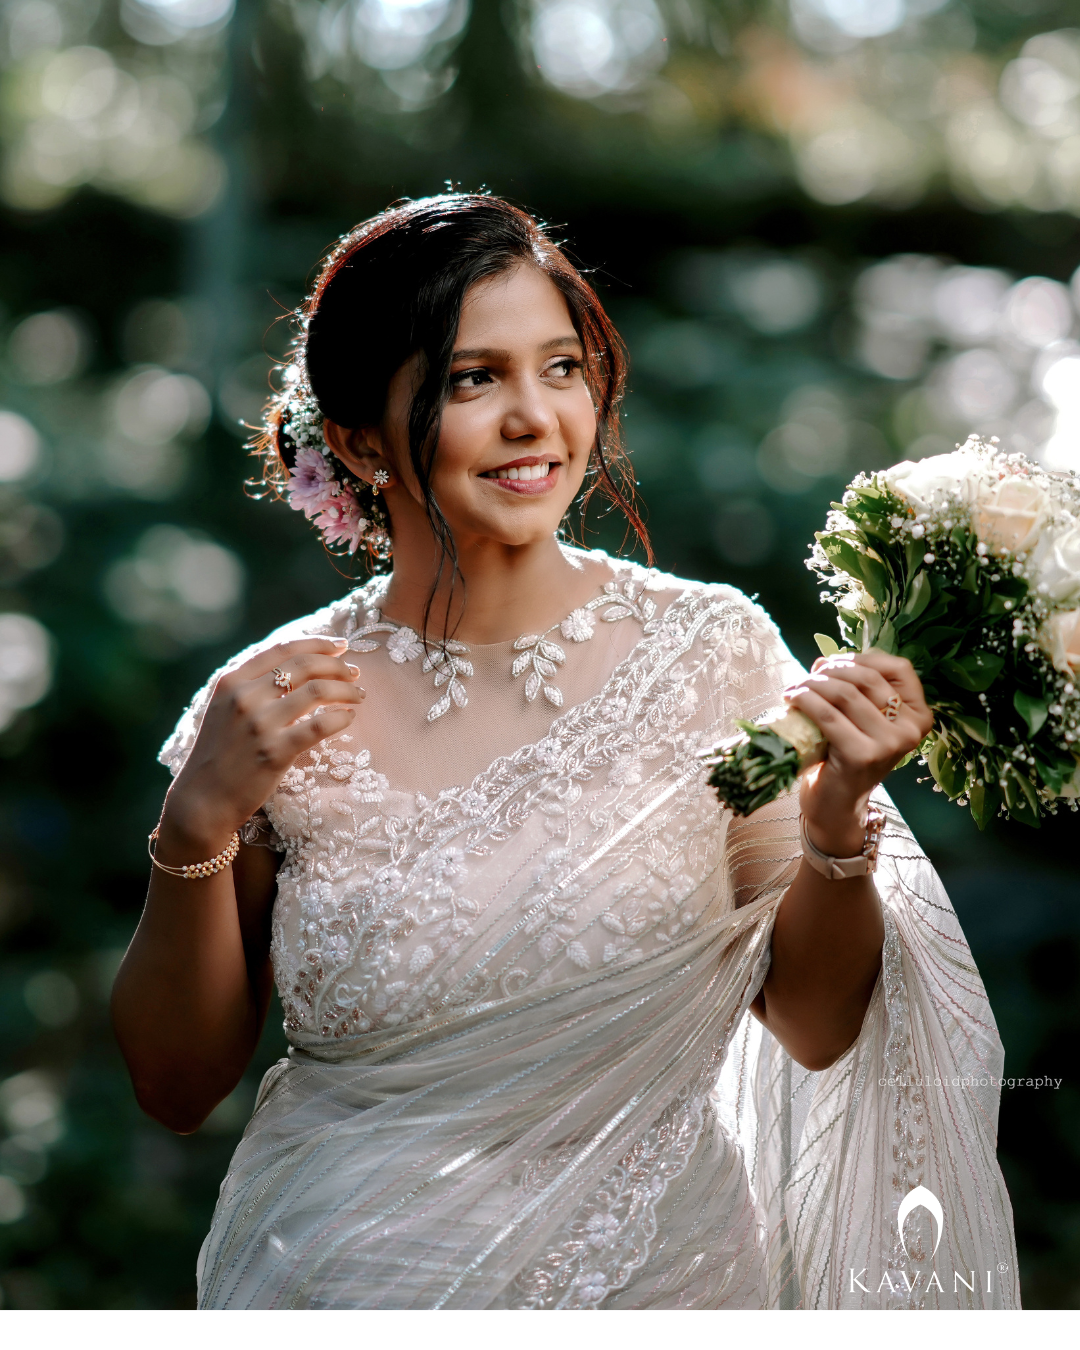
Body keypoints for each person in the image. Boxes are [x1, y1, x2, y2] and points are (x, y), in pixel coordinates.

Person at [111, 193, 1019, 1309]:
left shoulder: (714, 652)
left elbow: (819, 1031)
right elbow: (174, 1085)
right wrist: (195, 824)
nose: (536, 417)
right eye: (471, 379)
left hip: (668, 1286)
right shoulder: (271, 708)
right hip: (341, 1284)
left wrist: (837, 833)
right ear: (354, 439)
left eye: (561, 367)